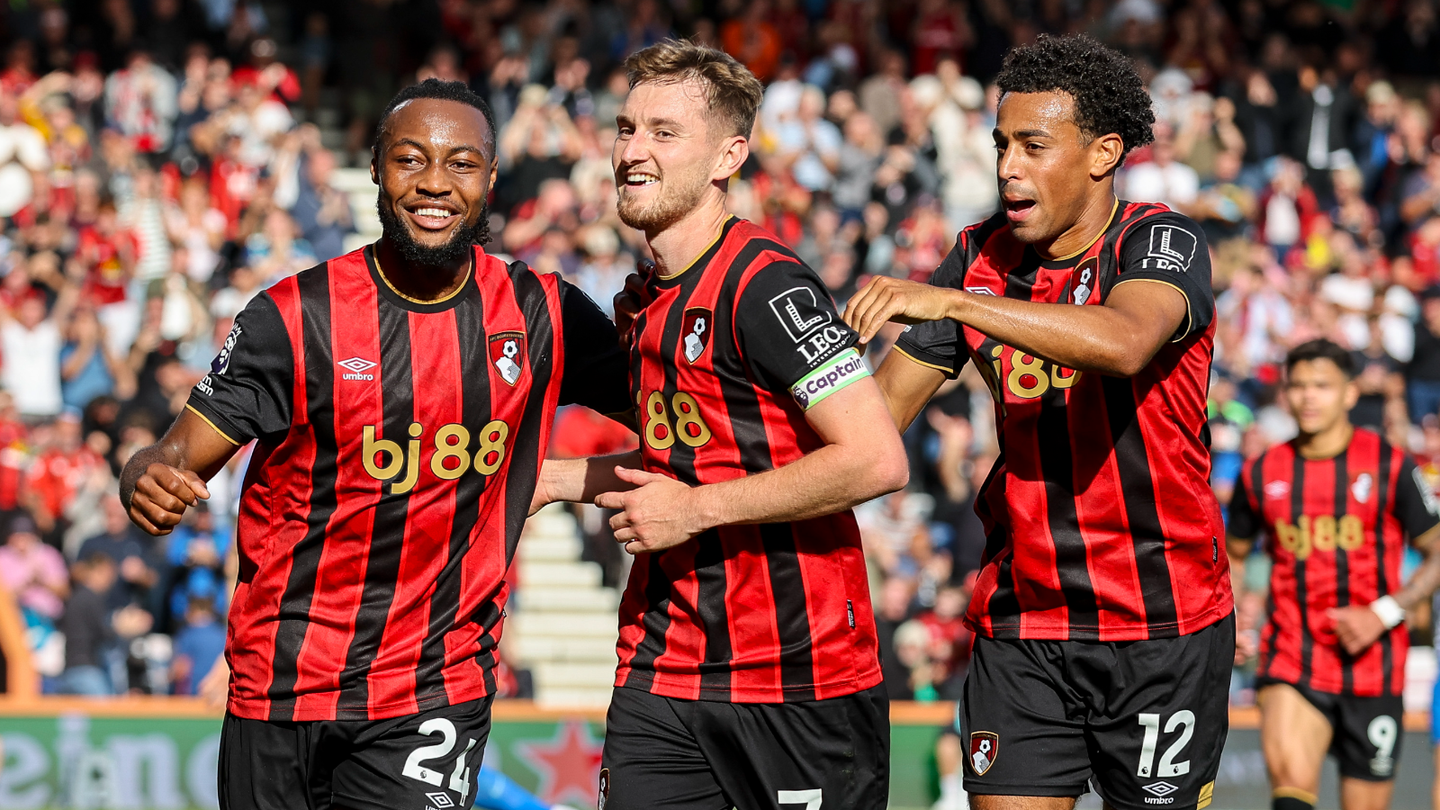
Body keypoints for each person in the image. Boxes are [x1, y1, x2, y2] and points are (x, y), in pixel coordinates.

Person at [120, 78, 629, 810]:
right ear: (376, 171)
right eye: (410, 159)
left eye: (460, 164)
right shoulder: (293, 318)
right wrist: (144, 474)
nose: (433, 184)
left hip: (435, 683)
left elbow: (685, 414)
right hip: (282, 680)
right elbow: (172, 457)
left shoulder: (541, 311)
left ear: (490, 179)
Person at [840, 34, 1235, 810]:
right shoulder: (979, 256)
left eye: (1032, 145)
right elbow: (879, 415)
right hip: (1024, 622)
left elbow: (1123, 344)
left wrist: (956, 303)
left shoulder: (1159, 241)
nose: (1006, 167)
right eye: (1000, 145)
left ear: (1102, 153)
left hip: (1162, 622)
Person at [532, 40, 908, 810]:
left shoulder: (766, 286)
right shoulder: (640, 302)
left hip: (798, 677)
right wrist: (552, 480)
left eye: (664, 133)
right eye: (626, 127)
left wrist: (695, 512)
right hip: (660, 670)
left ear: (727, 156)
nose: (632, 152)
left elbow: (876, 460)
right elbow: (689, 461)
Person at [1227, 339, 1440, 810]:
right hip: (1293, 655)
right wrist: (1236, 618)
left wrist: (1383, 613)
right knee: (1291, 800)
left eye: (1321, 386)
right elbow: (1235, 556)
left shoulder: (1390, 463)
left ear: (1348, 393)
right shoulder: (1261, 472)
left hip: (1375, 665)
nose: (1307, 396)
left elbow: (1436, 550)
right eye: (1298, 385)